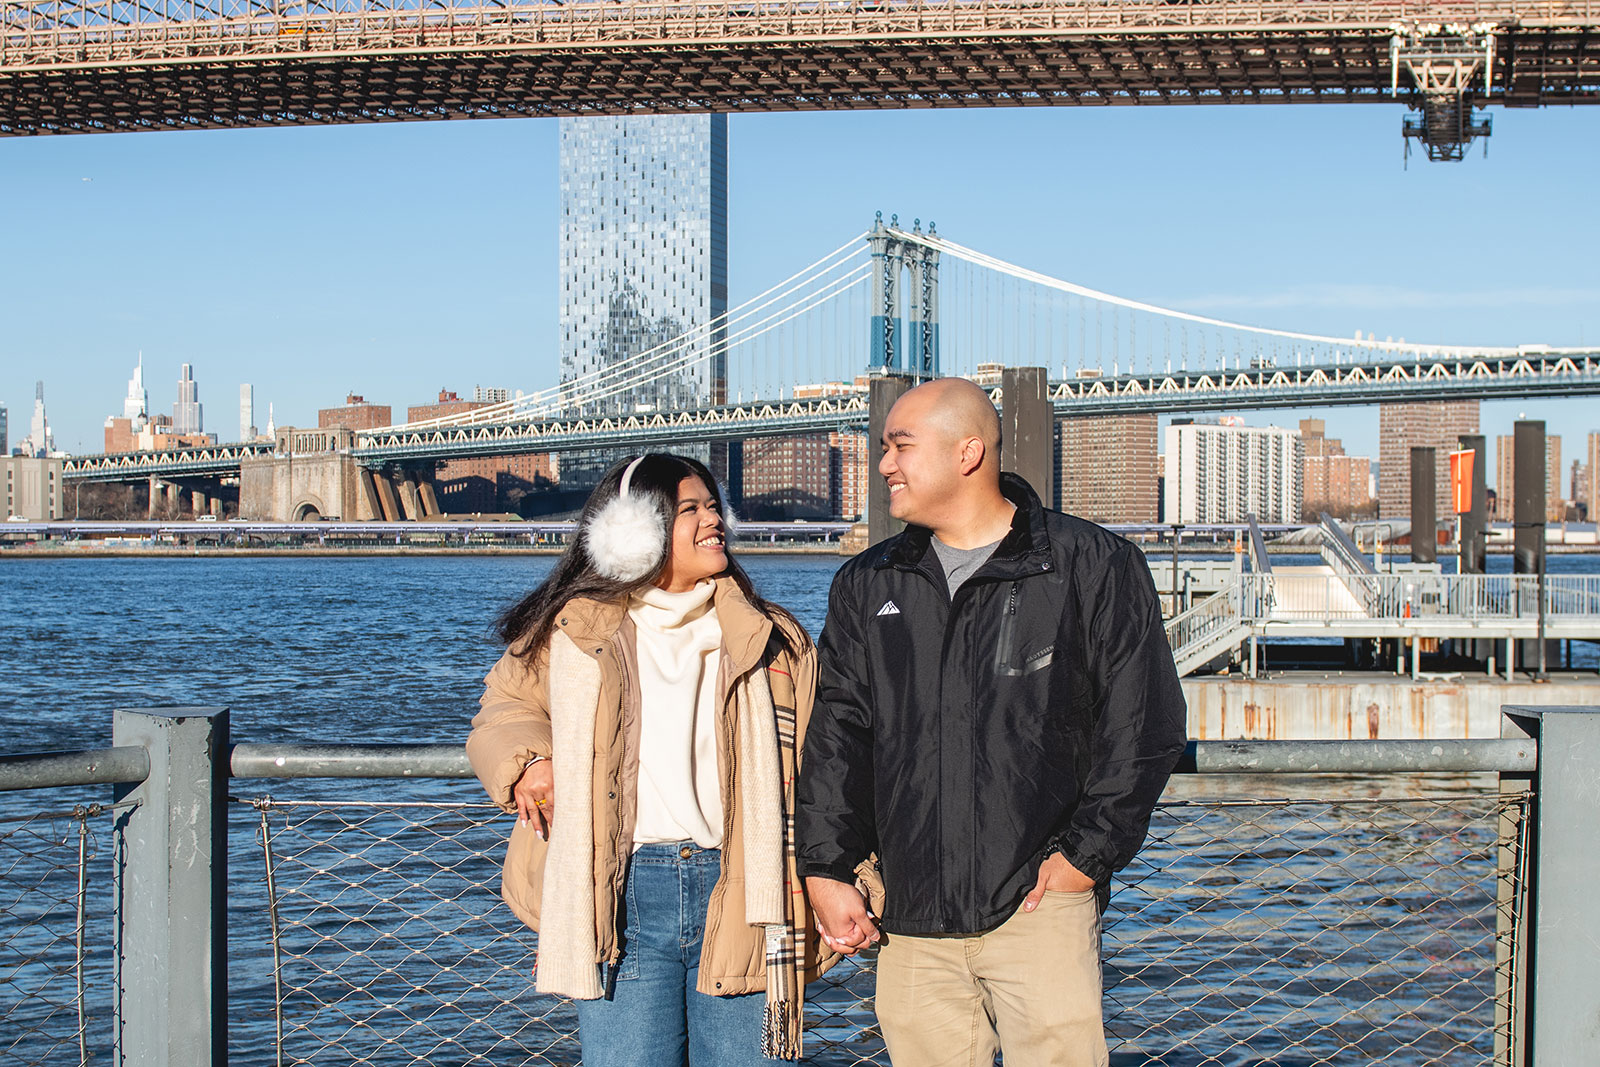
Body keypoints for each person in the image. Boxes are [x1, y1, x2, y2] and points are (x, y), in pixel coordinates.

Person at [795, 378, 1187, 1067]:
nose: (883, 463)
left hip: (1041, 905)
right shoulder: (867, 583)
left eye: (899, 446)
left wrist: (1082, 860)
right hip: (910, 916)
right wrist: (825, 867)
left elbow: (1144, 724)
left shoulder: (1089, 564)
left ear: (968, 451)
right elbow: (838, 736)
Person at [467, 453, 838, 1066]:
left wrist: (856, 875)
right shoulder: (576, 631)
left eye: (713, 506)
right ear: (635, 530)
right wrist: (531, 760)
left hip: (747, 888)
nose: (713, 519)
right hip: (620, 890)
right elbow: (503, 709)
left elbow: (827, 764)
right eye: (689, 509)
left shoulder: (773, 638)